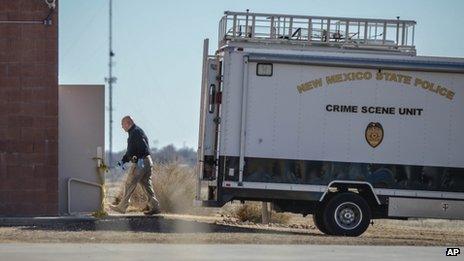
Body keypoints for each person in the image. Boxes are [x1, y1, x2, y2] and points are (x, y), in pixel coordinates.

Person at [109, 116, 161, 215]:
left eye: (122, 124)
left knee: (129, 183)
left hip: (141, 162)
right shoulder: (137, 131)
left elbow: (134, 151)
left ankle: (122, 207)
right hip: (148, 161)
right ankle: (155, 207)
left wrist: (131, 160)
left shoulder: (134, 133)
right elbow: (134, 150)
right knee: (146, 185)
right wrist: (125, 160)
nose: (122, 127)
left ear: (128, 123)